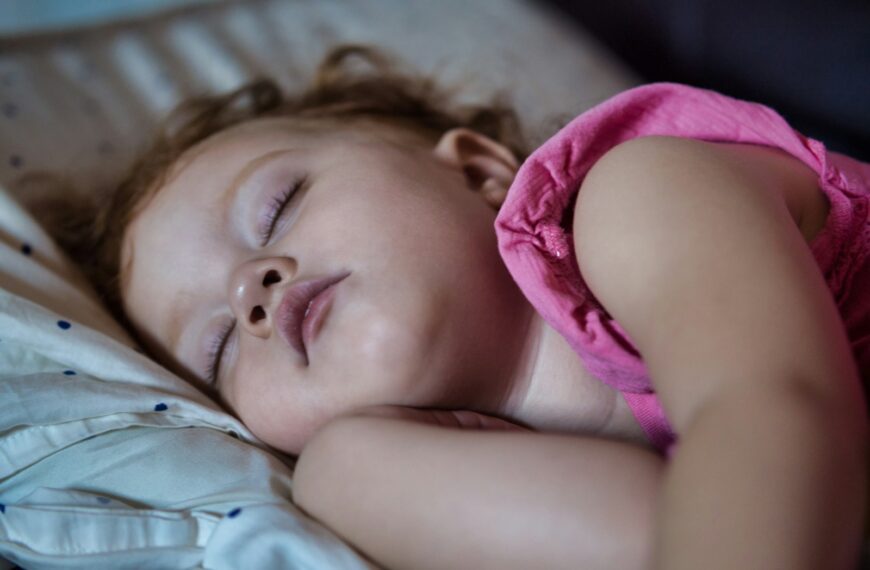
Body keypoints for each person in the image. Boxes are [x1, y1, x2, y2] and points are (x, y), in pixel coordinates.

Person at [45, 44, 868, 569]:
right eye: (220, 348)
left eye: (276, 207)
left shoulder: (639, 195)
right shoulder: (362, 469)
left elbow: (775, 414)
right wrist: (346, 469)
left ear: (476, 170)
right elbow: (660, 541)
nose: (250, 290)